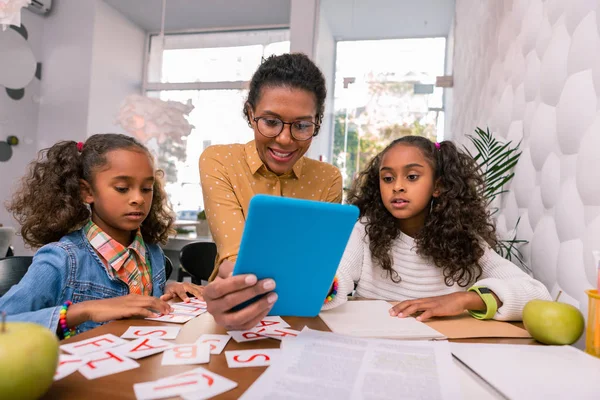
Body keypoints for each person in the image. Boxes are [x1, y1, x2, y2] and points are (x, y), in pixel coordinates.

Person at [322, 136, 551, 321]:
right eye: (388, 178)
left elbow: (537, 294)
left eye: (412, 177)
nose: (398, 187)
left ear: (438, 186)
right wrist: (321, 289)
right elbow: (338, 278)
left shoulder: (466, 241)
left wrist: (465, 300)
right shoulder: (364, 230)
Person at [0, 134, 203, 337]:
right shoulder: (61, 259)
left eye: (147, 188)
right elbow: (5, 323)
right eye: (122, 188)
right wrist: (83, 311)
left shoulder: (152, 251)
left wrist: (170, 288)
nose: (138, 199)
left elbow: (141, 295)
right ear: (87, 192)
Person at [200, 53, 342, 330]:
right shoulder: (219, 161)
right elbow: (235, 258)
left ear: (317, 122)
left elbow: (322, 267)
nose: (285, 139)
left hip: (305, 320)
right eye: (270, 121)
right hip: (233, 309)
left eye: (302, 126)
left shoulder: (328, 178)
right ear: (251, 113)